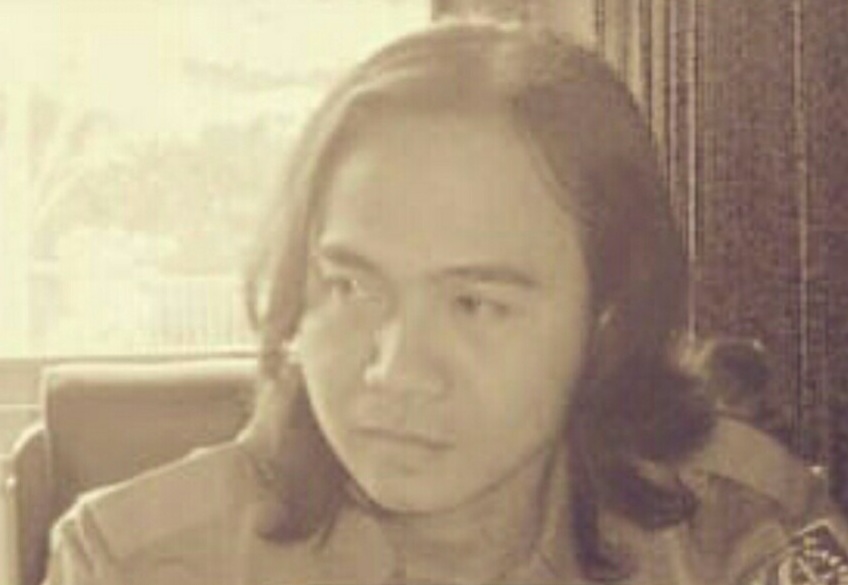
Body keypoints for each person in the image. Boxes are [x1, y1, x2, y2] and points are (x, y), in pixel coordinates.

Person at [42, 20, 848, 585]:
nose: (394, 370)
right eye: (351, 286)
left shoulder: (737, 535)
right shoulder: (139, 563)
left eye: (474, 304)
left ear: (605, 317)